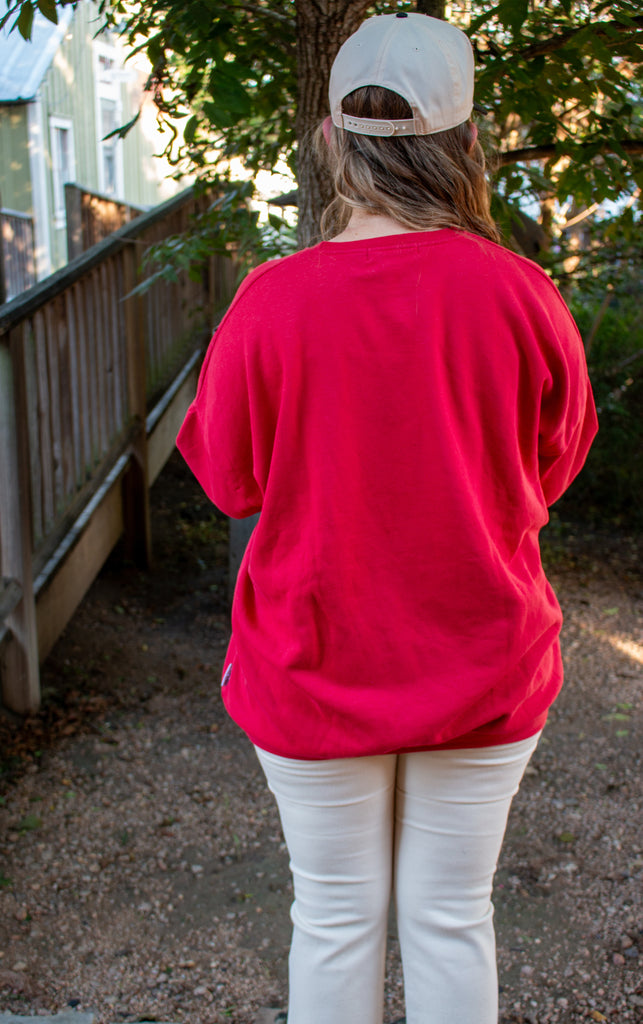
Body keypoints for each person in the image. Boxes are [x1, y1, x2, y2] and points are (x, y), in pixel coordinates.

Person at [176, 11, 598, 1024]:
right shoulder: (520, 294)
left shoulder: (269, 303)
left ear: (330, 140)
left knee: (330, 917)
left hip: (312, 663)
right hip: (483, 661)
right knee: (452, 915)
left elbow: (228, 478)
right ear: (463, 145)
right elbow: (547, 470)